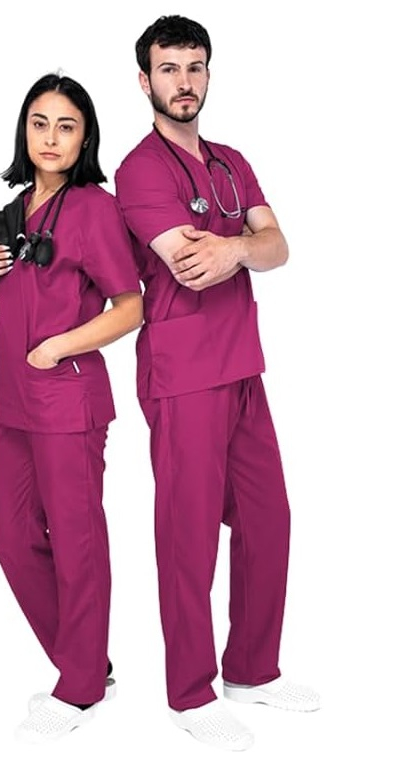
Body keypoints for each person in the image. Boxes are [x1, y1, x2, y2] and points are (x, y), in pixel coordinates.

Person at [115, 15, 320, 751]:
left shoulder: (232, 162)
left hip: (242, 366)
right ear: (145, 81)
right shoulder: (140, 170)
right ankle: (190, 692)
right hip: (184, 374)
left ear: (208, 73)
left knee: (269, 519)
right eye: (169, 69)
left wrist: (237, 248)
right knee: (189, 534)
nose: (184, 82)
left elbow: (278, 246)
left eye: (194, 67)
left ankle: (252, 670)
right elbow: (189, 262)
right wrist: (243, 247)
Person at [0, 73, 142, 743]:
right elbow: (27, 295)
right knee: (11, 535)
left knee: (76, 543)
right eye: (39, 123)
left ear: (84, 138)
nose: (50, 137)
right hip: (12, 402)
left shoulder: (94, 209)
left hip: (67, 399)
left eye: (66, 126)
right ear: (24, 131)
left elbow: (129, 306)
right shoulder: (17, 209)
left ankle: (78, 686)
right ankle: (89, 662)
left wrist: (58, 347)